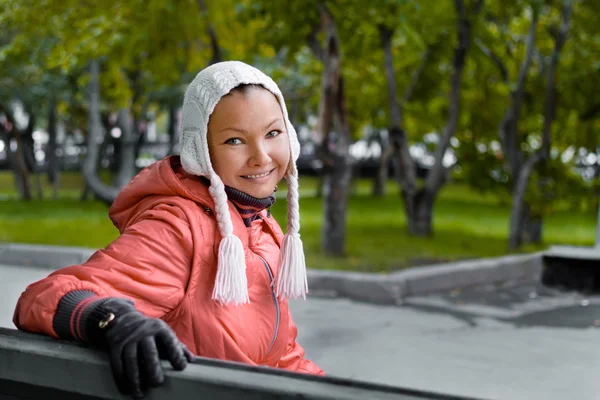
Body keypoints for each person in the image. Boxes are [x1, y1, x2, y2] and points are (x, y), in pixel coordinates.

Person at [13, 61, 325, 399]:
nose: (261, 157)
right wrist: (109, 318)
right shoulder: (179, 227)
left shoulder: (259, 223)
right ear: (202, 151)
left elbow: (280, 356)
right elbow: (41, 297)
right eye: (235, 140)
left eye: (273, 133)